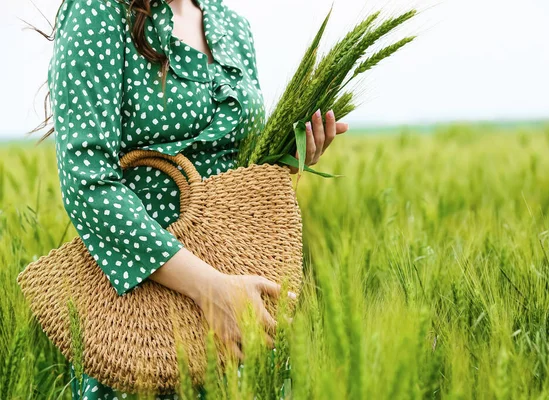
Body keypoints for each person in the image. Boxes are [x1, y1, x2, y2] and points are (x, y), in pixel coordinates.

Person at [40, 0, 349, 397]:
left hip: (241, 294)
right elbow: (88, 184)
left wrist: (287, 159)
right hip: (147, 310)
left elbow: (235, 164)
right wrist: (209, 288)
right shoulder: (97, 11)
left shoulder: (230, 24)